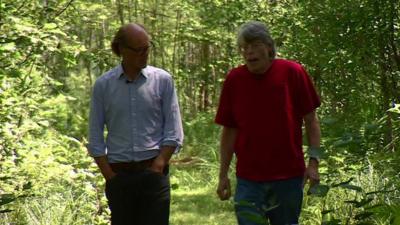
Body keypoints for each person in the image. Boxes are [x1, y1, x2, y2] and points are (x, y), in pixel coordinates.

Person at [215, 21, 321, 225]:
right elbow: (229, 131)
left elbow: (312, 121)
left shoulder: (293, 72)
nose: (249, 52)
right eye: (244, 48)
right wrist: (223, 175)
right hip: (248, 179)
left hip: (288, 178)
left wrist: (314, 164)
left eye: (255, 45)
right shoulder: (234, 80)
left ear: (269, 47)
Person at [87, 23, 183, 225]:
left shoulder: (163, 80)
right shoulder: (104, 85)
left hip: (154, 173)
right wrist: (109, 175)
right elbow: (95, 136)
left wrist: (159, 165)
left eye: (147, 48)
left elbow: (173, 130)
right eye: (139, 50)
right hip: (119, 176)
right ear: (122, 49)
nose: (145, 54)